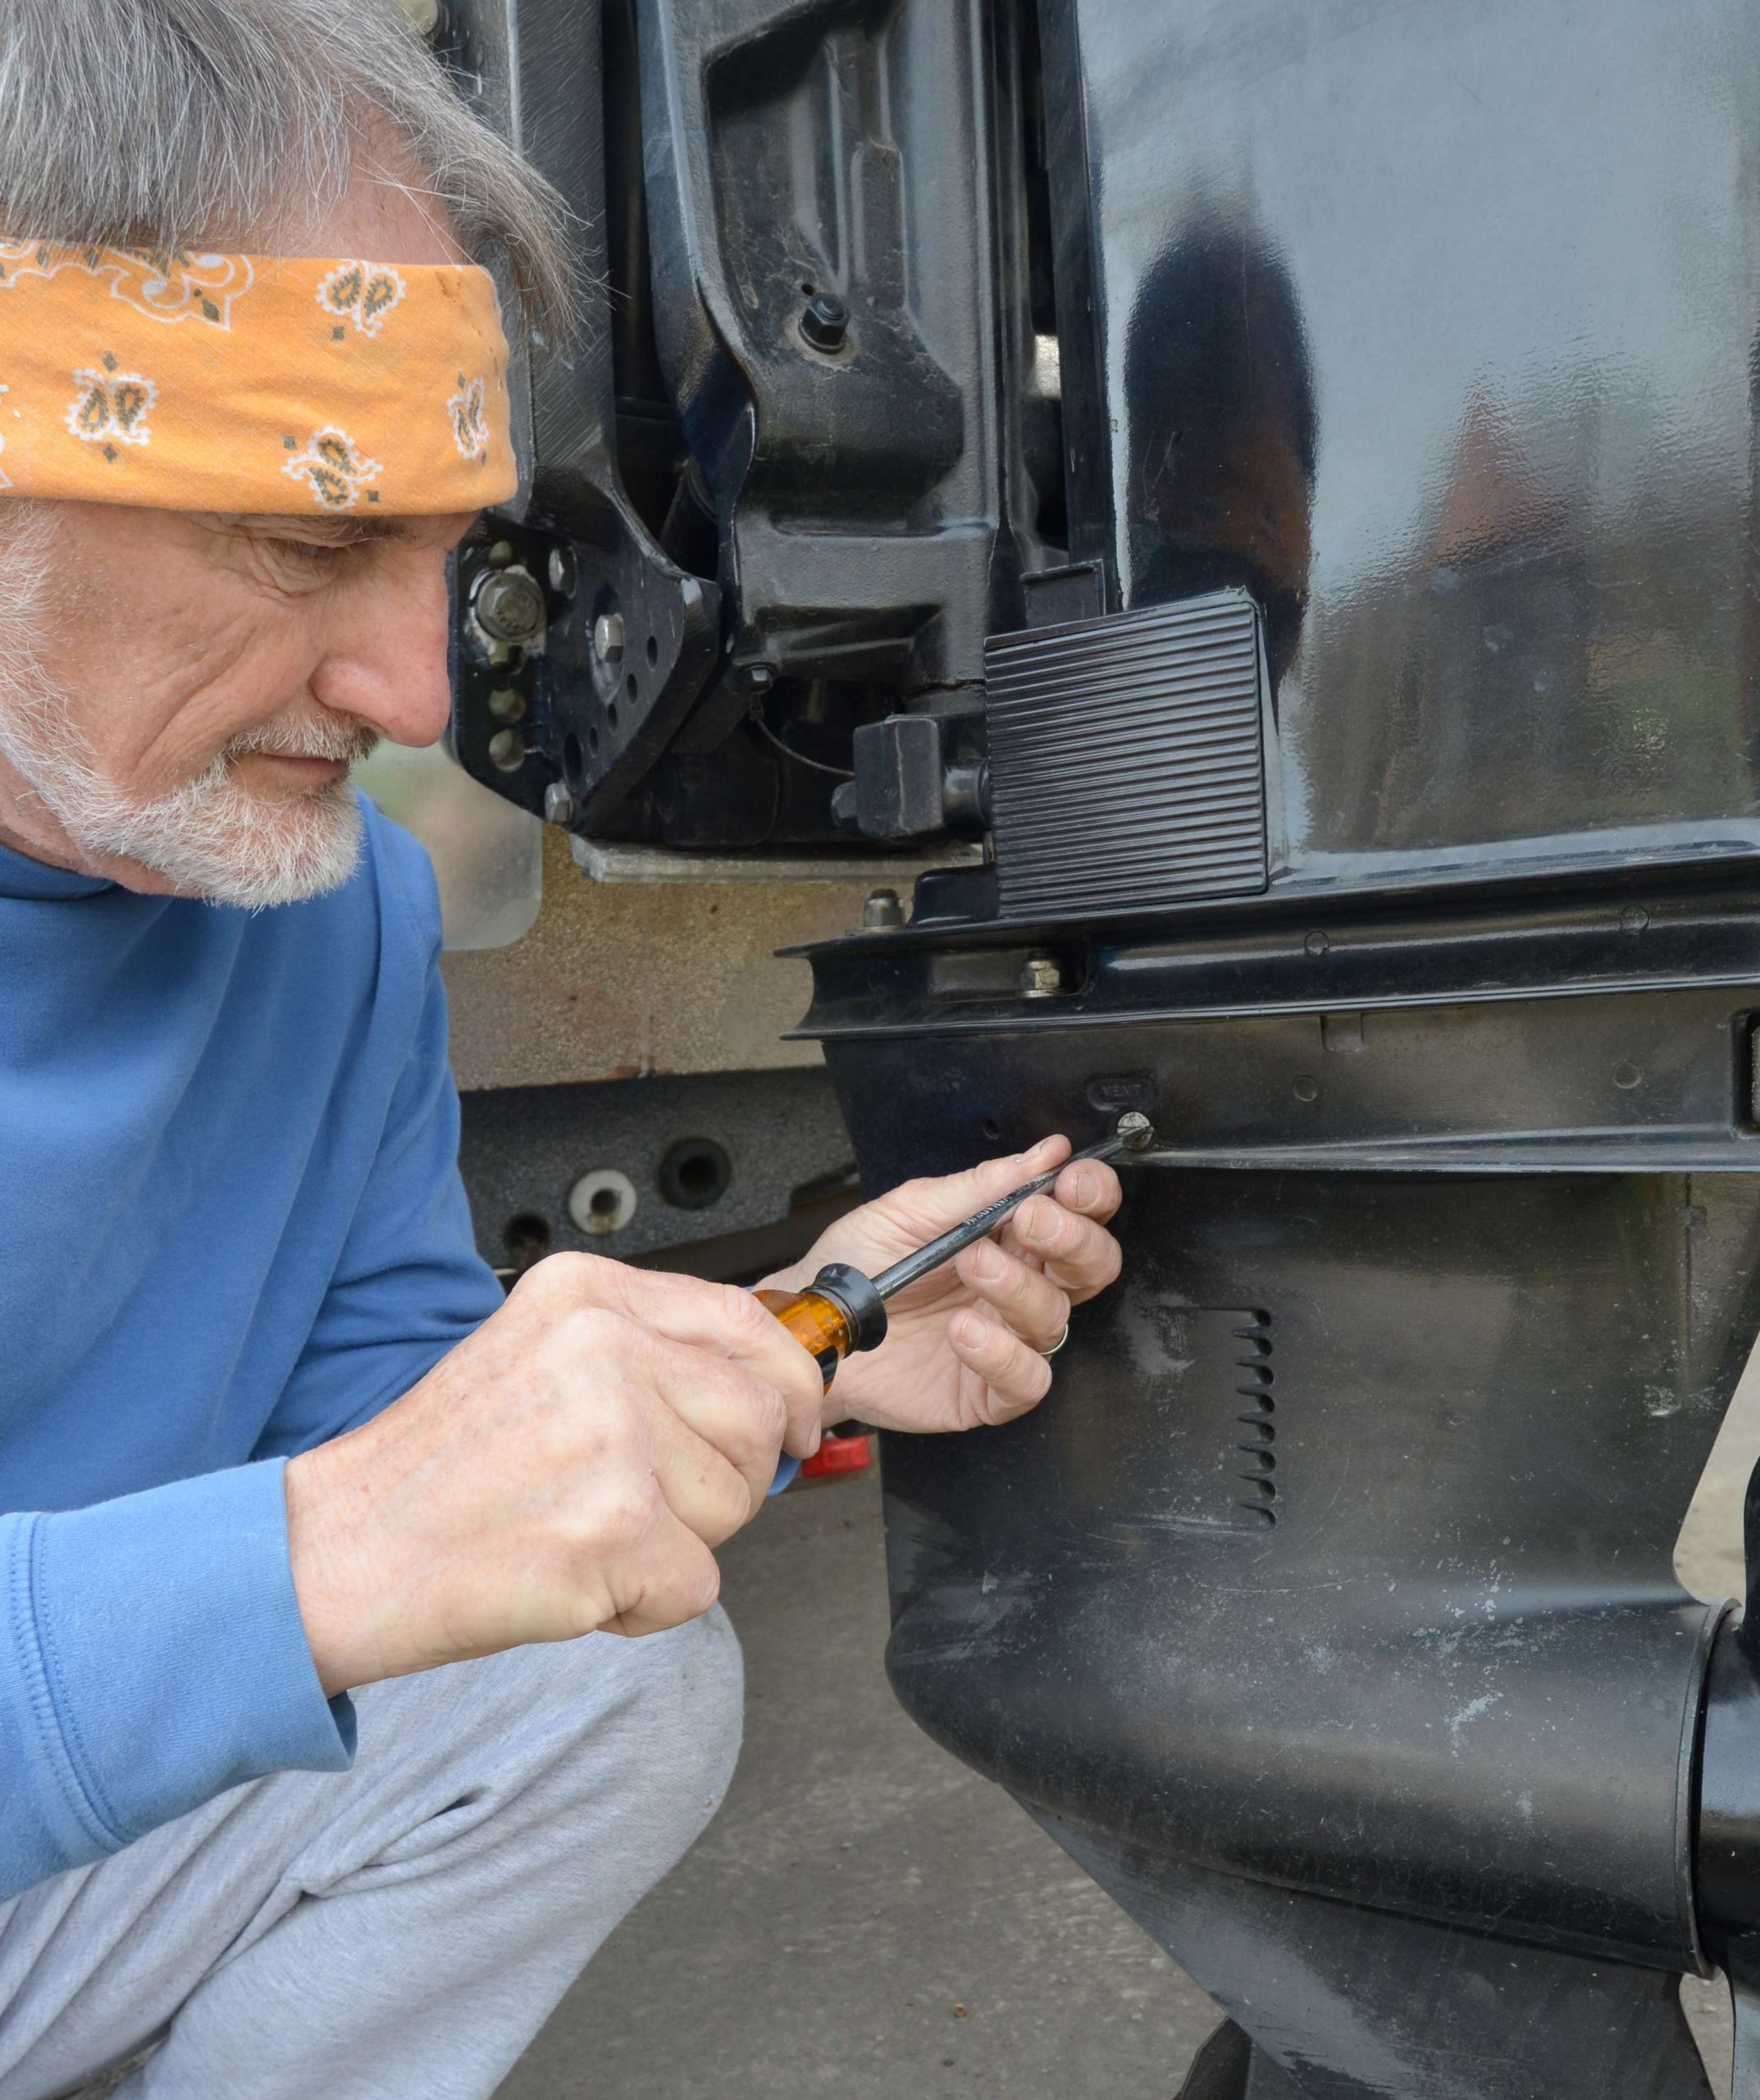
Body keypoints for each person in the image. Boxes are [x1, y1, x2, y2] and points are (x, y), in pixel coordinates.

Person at [0, 4, 1125, 2094]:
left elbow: (401, 1428)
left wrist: (791, 1335)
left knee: (591, 1684)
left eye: (451, 559)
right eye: (306, 537)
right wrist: (322, 1556)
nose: (418, 691)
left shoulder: (328, 913)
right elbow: (354, 1526)